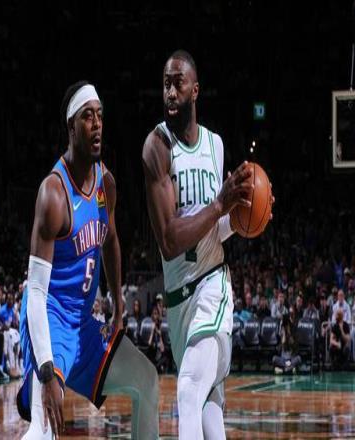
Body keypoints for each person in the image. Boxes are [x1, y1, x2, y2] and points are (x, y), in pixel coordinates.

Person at [18, 81, 158, 439]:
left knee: (146, 379)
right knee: (43, 429)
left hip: (83, 326)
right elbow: (36, 292)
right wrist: (46, 370)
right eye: (87, 117)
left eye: (100, 116)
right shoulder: (53, 194)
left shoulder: (105, 184)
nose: (97, 125)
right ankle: (38, 392)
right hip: (50, 321)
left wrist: (118, 306)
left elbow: (110, 241)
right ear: (71, 126)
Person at [142, 50, 269, 439]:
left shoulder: (215, 146)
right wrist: (219, 207)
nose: (170, 92)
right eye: (165, 84)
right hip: (178, 301)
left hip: (212, 288)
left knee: (188, 390)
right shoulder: (156, 148)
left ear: (195, 90)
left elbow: (216, 227)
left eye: (178, 83)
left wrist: (246, 219)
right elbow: (169, 241)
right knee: (209, 406)